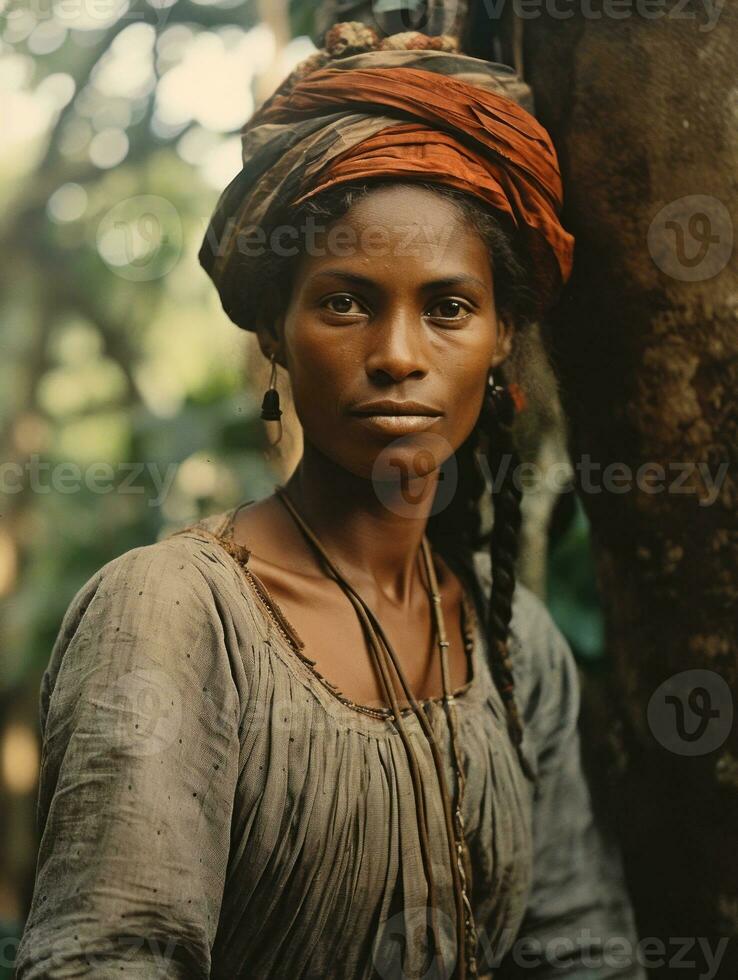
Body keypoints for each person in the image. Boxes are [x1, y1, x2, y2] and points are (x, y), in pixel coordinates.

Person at [16, 22, 645, 980]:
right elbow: (112, 958)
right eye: (345, 302)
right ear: (276, 328)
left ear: (503, 337)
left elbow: (583, 949)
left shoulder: (512, 638)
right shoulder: (177, 615)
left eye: (448, 307)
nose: (399, 355)